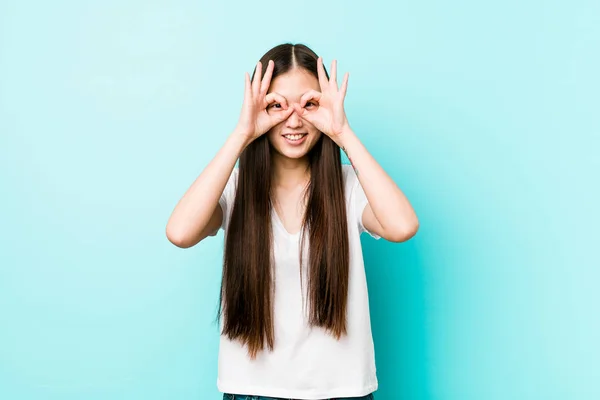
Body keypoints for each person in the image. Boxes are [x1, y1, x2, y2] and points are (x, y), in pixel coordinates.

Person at [166, 43, 419, 400]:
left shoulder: (349, 187)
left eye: (310, 104)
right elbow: (179, 232)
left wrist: (343, 133)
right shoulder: (234, 188)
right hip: (250, 392)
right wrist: (242, 133)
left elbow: (402, 226)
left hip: (342, 392)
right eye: (277, 106)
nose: (295, 120)